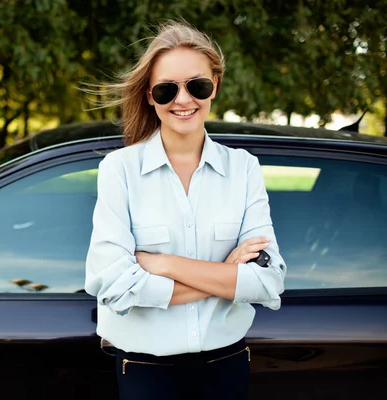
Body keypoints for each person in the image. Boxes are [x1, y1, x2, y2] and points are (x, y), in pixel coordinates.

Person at [84, 20, 287, 400]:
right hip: (145, 372)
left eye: (197, 85)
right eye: (167, 89)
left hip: (225, 368)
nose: (183, 99)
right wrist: (227, 276)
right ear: (149, 96)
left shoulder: (244, 169)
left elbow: (268, 281)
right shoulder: (119, 170)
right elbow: (112, 285)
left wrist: (162, 264)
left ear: (215, 88)